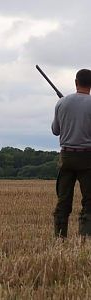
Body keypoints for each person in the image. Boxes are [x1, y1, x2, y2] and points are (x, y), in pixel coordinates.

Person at [52, 68, 91, 238]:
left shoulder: (61, 103)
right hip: (87, 158)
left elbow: (55, 130)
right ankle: (85, 240)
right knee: (89, 201)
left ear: (76, 82)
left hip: (66, 157)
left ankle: (60, 238)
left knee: (63, 200)